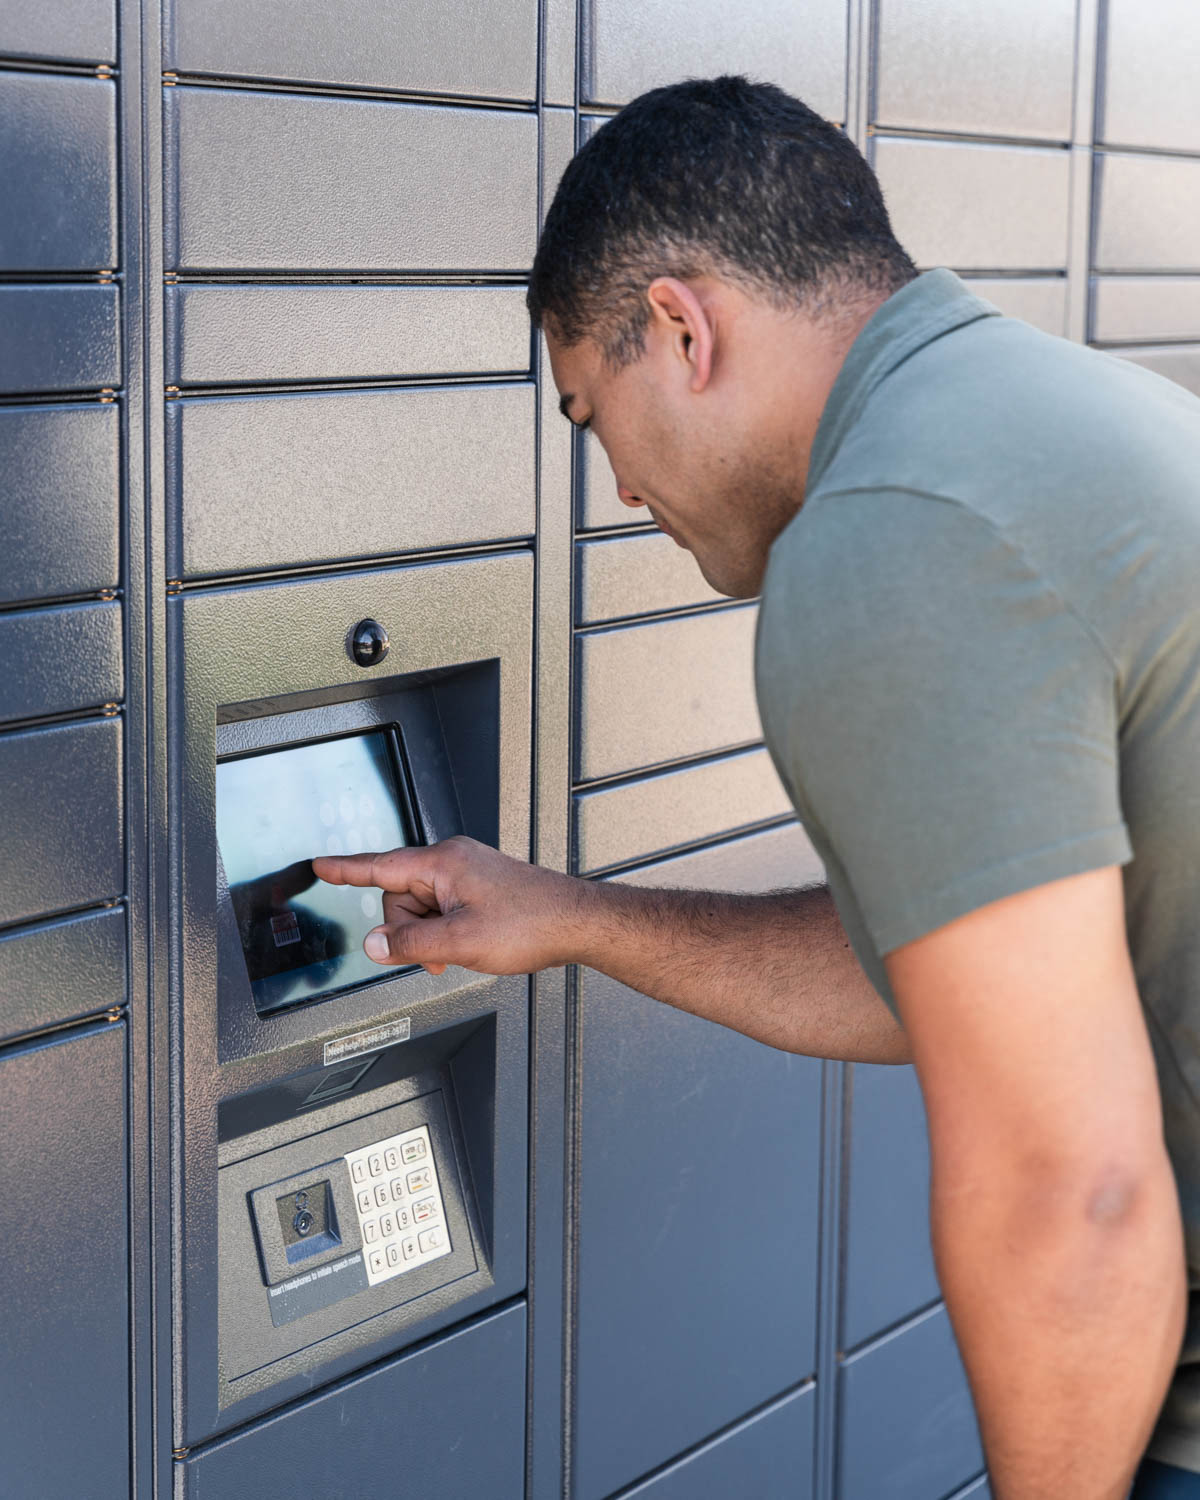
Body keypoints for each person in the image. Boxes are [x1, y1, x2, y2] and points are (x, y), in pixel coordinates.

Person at [314, 76, 1200, 1499]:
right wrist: (573, 915)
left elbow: (1071, 1193)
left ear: (682, 328)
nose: (615, 487)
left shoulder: (892, 541)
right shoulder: (1029, 416)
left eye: (592, 413)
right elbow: (948, 975)